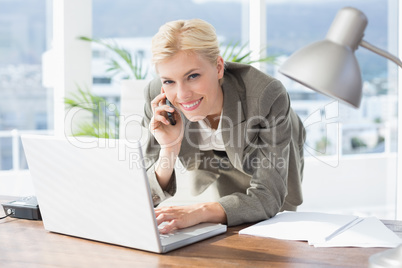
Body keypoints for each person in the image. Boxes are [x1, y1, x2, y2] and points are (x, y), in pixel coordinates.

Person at [141, 18, 306, 234]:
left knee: (274, 232)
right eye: (169, 81)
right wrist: (169, 148)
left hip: (267, 151)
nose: (181, 95)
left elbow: (268, 196)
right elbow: (146, 194)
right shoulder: (159, 97)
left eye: (193, 76)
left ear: (218, 67)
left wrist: (199, 210)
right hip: (217, 161)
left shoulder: (266, 95)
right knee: (229, 228)